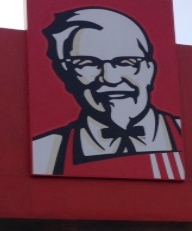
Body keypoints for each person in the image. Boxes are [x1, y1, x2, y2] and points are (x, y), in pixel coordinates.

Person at [32, 7, 184, 180]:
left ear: (150, 70)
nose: (110, 78)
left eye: (126, 62)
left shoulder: (189, 137)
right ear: (66, 75)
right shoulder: (45, 152)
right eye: (87, 63)